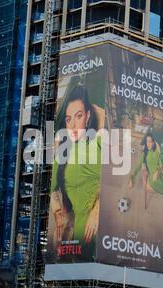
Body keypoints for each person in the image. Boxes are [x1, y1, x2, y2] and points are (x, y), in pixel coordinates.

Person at [49, 83, 104, 262]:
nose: (72, 125)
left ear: (87, 117)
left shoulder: (98, 142)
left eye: (78, 116)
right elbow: (50, 189)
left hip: (103, 223)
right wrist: (58, 213)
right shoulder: (63, 153)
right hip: (80, 232)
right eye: (68, 119)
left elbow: (114, 179)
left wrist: (98, 210)